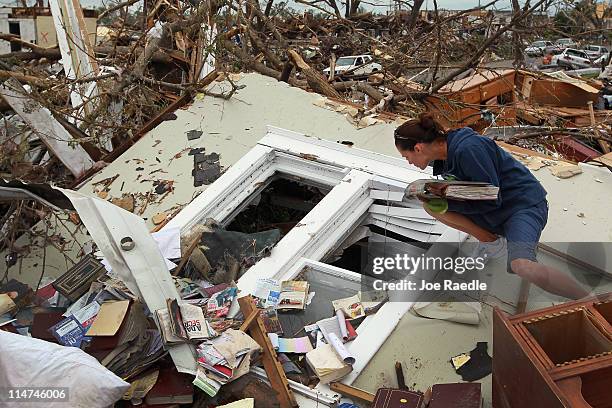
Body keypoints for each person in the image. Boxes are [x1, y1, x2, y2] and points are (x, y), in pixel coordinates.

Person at [394, 113, 588, 300]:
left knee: (522, 265)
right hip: (496, 207)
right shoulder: (445, 156)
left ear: (418, 148)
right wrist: (435, 194)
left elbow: (490, 198)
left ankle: (588, 299)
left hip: (522, 207)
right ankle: (492, 242)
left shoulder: (468, 149)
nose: (409, 162)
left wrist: (446, 196)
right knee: (431, 206)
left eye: (406, 156)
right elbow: (474, 192)